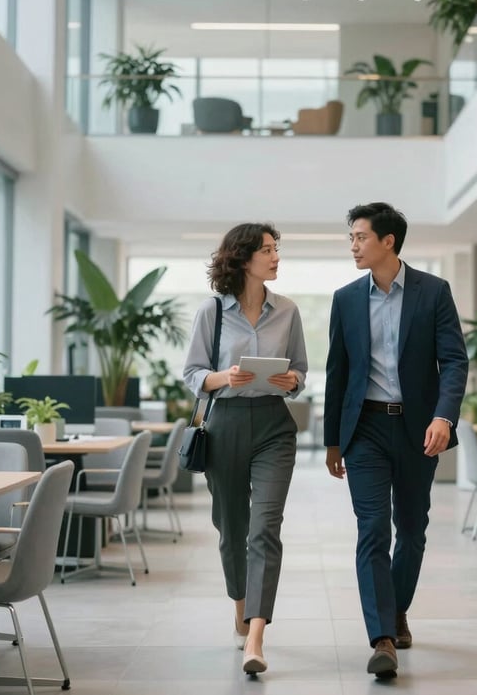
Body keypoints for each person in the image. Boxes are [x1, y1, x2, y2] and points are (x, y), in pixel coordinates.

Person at [324, 202, 468, 678]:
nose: (353, 245)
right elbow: (337, 374)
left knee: (412, 530)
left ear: (388, 241)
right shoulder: (345, 298)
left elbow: (454, 361)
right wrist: (332, 441)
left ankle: (397, 607)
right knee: (371, 529)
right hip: (364, 428)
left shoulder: (433, 292)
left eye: (360, 237)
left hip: (417, 429)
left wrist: (445, 416)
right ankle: (382, 635)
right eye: (351, 238)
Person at [183, 223, 308, 676]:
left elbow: (300, 373)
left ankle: (256, 634)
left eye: (277, 250)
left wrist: (291, 380)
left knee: (264, 528)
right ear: (243, 258)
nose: (276, 258)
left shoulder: (288, 311)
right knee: (231, 528)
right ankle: (241, 605)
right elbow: (194, 373)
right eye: (268, 251)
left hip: (275, 425)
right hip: (225, 425)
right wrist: (223, 377)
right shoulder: (212, 312)